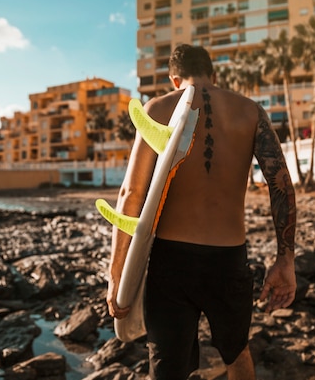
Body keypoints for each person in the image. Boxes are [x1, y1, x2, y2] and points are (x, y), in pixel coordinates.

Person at [107, 44, 297, 380]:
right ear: (214, 74)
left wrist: (117, 275)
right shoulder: (250, 111)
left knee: (168, 368)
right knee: (236, 353)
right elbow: (280, 183)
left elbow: (131, 193)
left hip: (172, 261)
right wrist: (285, 259)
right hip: (229, 259)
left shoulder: (159, 108)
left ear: (174, 79)